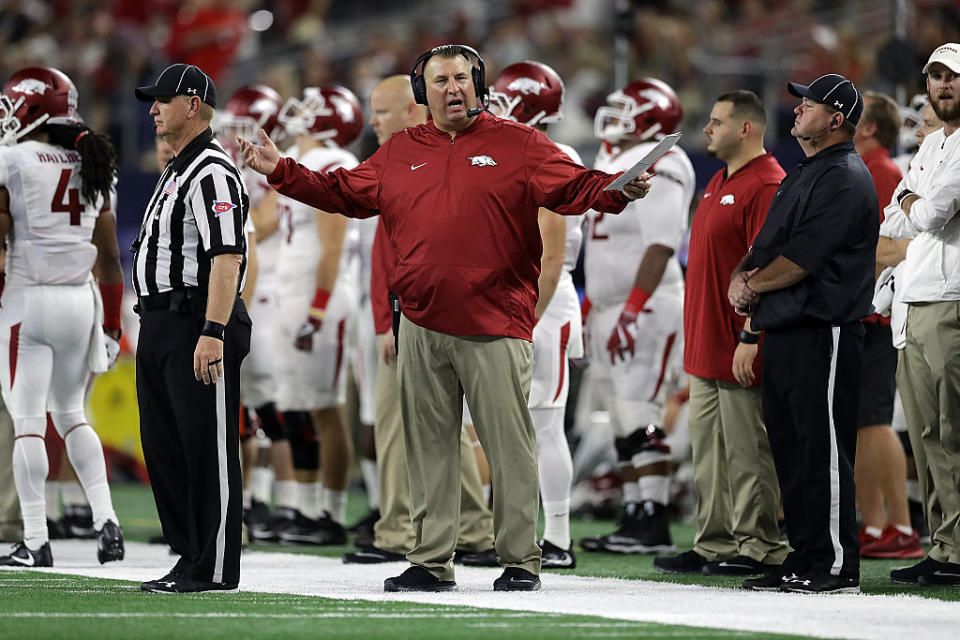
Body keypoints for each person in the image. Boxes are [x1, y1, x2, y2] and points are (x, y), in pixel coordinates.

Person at [239, 44, 650, 592]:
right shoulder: (401, 149)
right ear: (422, 93)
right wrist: (281, 171)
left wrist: (616, 190)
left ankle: (522, 560)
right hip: (422, 323)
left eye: (462, 77)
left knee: (509, 447)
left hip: (495, 322)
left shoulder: (522, 142)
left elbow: (576, 186)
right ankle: (432, 561)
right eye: (440, 80)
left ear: (478, 83)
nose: (453, 88)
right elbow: (343, 193)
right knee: (428, 447)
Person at [728, 73, 877, 594]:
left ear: (836, 119)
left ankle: (835, 564)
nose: (796, 110)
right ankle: (806, 554)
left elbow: (803, 259)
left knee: (825, 449)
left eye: (808, 105)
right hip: (787, 327)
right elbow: (767, 245)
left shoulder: (845, 177)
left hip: (826, 329)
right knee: (792, 448)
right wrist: (740, 278)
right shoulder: (806, 172)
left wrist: (751, 287)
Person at [342, 74, 494, 565]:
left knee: (396, 425)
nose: (373, 121)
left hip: (409, 314)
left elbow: (396, 256)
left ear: (412, 111)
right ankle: (473, 528)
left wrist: (389, 320)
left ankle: (397, 532)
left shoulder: (410, 161)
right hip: (411, 312)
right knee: (442, 428)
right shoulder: (409, 159)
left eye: (382, 111)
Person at [654, 90, 788, 576]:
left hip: (738, 344)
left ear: (745, 128)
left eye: (716, 122)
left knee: (749, 451)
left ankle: (759, 545)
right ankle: (713, 543)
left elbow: (769, 272)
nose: (706, 129)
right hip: (704, 344)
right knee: (708, 455)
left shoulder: (768, 185)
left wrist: (751, 337)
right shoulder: (716, 180)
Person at [133, 63, 251, 593]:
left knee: (207, 447)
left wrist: (215, 330)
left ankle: (215, 565)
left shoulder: (211, 169)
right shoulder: (177, 167)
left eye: (162, 99)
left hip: (196, 320)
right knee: (166, 448)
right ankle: (189, 556)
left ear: (192, 104)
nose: (153, 108)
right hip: (162, 321)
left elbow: (228, 255)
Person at [0, 66, 125, 567]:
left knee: (28, 422)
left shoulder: (12, 159)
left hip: (26, 302)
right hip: (82, 303)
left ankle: (34, 539)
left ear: (31, 107)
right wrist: (114, 324)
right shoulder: (95, 161)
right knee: (72, 414)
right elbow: (112, 257)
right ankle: (105, 518)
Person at [578, 77, 694, 555]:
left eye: (628, 108)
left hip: (645, 303)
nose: (615, 115)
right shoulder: (612, 159)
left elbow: (662, 243)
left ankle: (654, 515)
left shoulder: (663, 160)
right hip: (613, 305)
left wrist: (631, 308)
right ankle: (634, 510)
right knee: (620, 410)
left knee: (640, 407)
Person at [481, 60, 584, 569]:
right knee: (503, 426)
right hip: (509, 301)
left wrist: (524, 317)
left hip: (540, 302)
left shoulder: (550, 153)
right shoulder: (507, 148)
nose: (491, 105)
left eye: (502, 97)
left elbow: (553, 253)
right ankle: (507, 532)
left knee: (544, 424)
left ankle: (560, 537)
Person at [268, 84, 363, 545]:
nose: (299, 112)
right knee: (295, 409)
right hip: (291, 293)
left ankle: (332, 513)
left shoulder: (335, 162)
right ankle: (304, 510)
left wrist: (317, 309)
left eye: (312, 107)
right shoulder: (297, 158)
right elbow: (264, 222)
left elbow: (333, 246)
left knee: (326, 408)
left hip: (320, 297)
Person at [884, 44, 960, 587]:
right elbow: (894, 220)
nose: (942, 85)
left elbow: (928, 211)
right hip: (916, 298)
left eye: (952, 77)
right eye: (935, 76)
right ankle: (943, 546)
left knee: (952, 432)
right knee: (927, 434)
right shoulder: (933, 143)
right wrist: (911, 200)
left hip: (951, 297)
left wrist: (911, 198)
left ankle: (956, 548)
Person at [213, 85, 301, 539]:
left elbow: (258, 227)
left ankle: (276, 503)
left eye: (244, 126)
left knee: (267, 405)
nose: (234, 136)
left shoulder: (278, 170)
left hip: (268, 295)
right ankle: (260, 502)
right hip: (268, 291)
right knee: (258, 406)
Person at [851, 90, 923, 560]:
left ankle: (899, 524)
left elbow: (888, 244)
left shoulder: (879, 171)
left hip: (875, 312)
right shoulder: (875, 169)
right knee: (863, 422)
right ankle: (878, 525)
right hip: (867, 310)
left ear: (869, 127)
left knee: (874, 421)